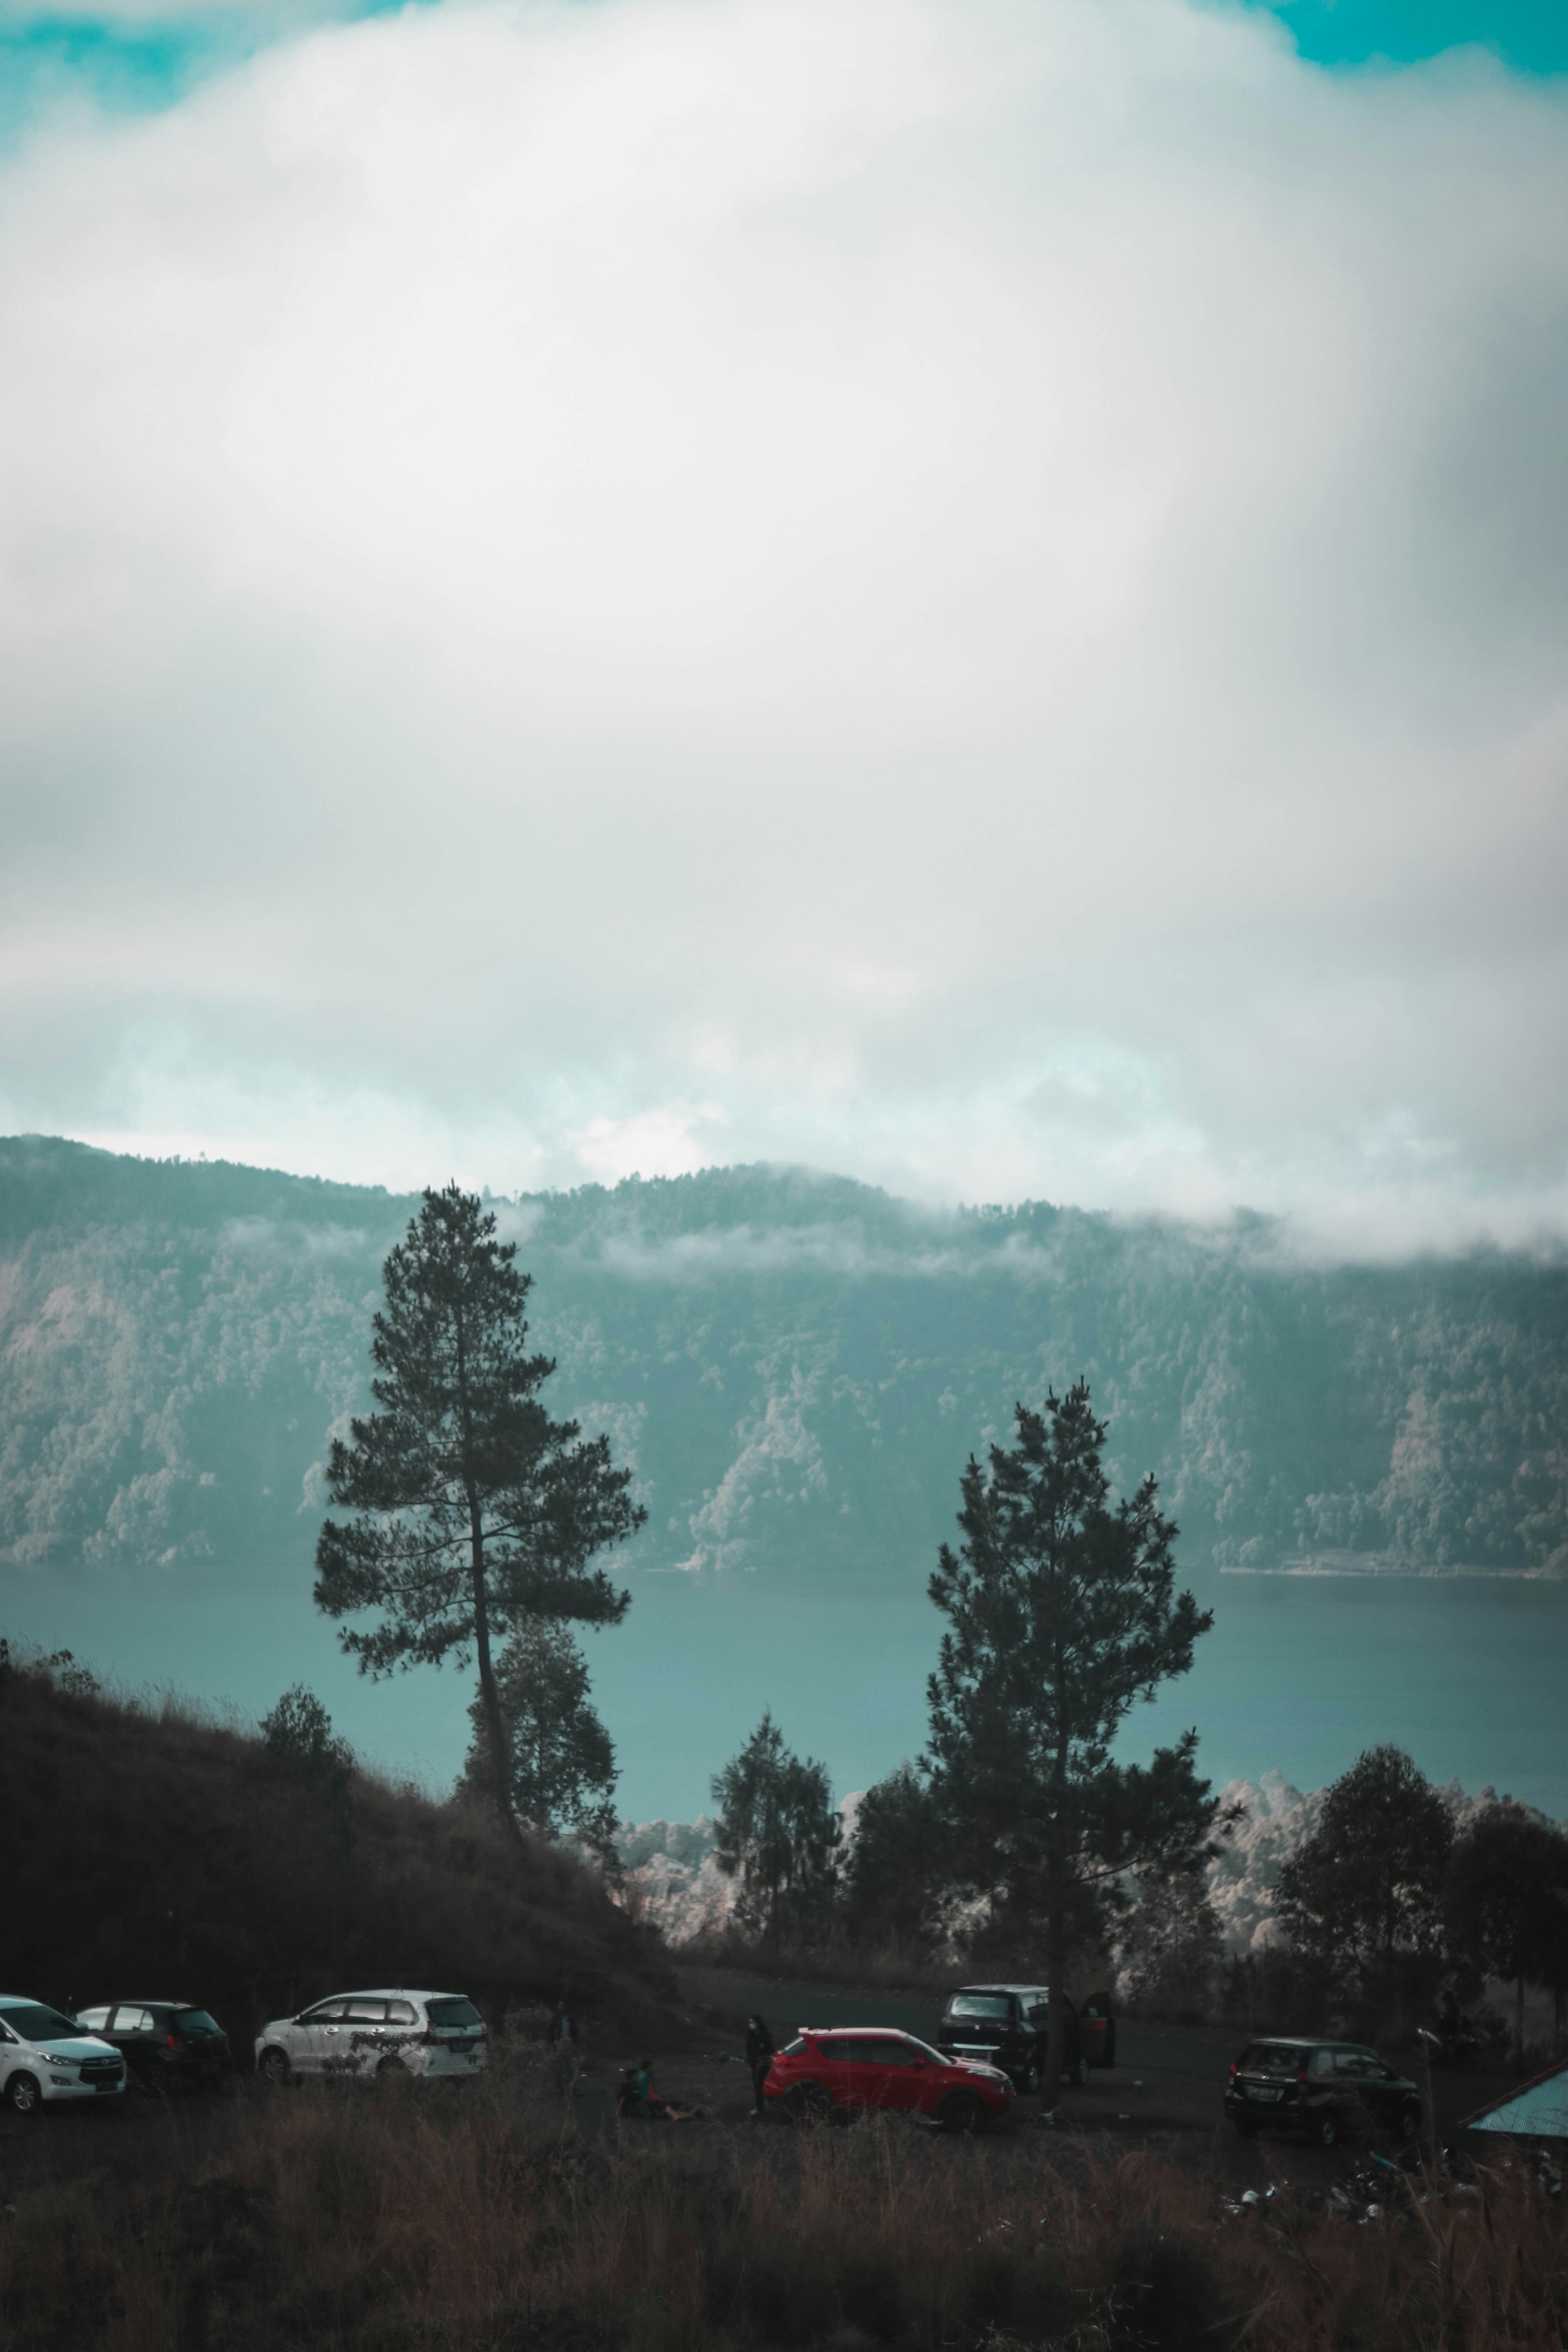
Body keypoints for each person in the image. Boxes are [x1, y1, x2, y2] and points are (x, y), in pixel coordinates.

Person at [548, 1999, 581, 2095]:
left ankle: (574, 2089)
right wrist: (552, 2043)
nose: (561, 2008)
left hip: (569, 2045)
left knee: (571, 2068)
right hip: (559, 2045)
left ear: (566, 2007)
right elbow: (551, 2031)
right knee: (558, 2068)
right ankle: (559, 2089)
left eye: (563, 2006)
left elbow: (575, 2031)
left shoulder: (570, 2018)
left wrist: (573, 2042)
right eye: (560, 2006)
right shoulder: (556, 2018)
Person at [745, 2013, 775, 2115]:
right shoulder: (751, 2035)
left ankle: (764, 2105)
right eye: (750, 2023)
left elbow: (771, 2050)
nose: (751, 2025)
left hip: (764, 2065)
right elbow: (749, 2049)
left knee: (762, 2084)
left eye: (753, 2023)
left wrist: (765, 2059)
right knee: (757, 2085)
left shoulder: (766, 2036)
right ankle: (760, 2107)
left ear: (758, 2023)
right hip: (755, 2065)